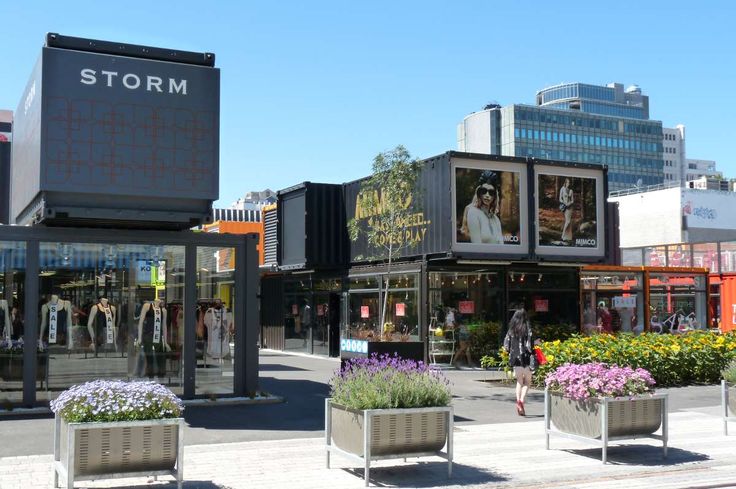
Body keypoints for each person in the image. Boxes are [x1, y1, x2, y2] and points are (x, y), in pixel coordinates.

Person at [503, 308, 533, 416]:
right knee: (528, 382)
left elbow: (506, 345)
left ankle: (518, 401)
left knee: (519, 381)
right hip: (526, 359)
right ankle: (521, 400)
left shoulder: (511, 329)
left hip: (515, 359)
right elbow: (529, 346)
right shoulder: (527, 328)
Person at [461, 172, 503, 244]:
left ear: (495, 196)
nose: (487, 195)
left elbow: (502, 246)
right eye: (484, 191)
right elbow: (476, 245)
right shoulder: (473, 213)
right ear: (479, 193)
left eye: (491, 192)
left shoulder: (496, 219)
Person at [559, 178, 574, 243]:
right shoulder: (562, 189)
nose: (568, 184)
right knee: (567, 221)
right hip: (565, 207)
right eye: (567, 182)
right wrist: (564, 203)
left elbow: (572, 200)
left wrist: (569, 203)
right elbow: (560, 198)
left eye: (569, 182)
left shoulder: (571, 190)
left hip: (570, 207)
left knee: (569, 222)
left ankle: (569, 237)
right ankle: (562, 236)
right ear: (565, 183)